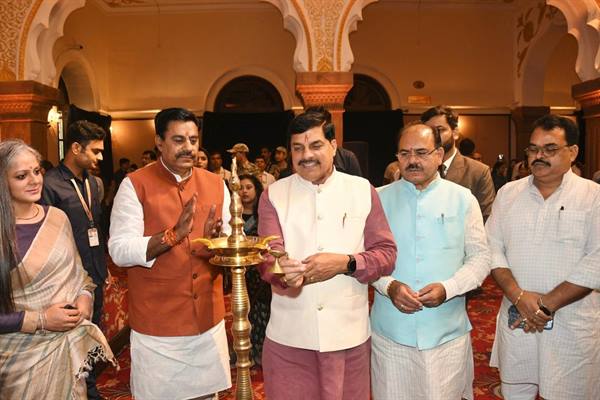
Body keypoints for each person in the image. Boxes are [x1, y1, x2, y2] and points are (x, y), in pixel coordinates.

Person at [257, 108, 397, 400]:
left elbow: (386, 254)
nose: (306, 155)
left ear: (334, 146)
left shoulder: (362, 190)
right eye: (298, 148)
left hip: (348, 334)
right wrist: (282, 271)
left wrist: (346, 263)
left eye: (316, 145)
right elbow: (268, 258)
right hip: (290, 335)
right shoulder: (273, 194)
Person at [108, 107, 232, 400]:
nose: (188, 147)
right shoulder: (135, 184)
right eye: (178, 140)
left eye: (193, 140)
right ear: (159, 142)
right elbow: (119, 250)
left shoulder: (216, 184)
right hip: (158, 326)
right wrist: (171, 236)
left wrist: (217, 242)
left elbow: (228, 241)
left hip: (208, 322)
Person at [370, 122, 490, 400]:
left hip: (445, 332)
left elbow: (481, 258)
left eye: (421, 152)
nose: (412, 160)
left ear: (439, 154)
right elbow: (367, 258)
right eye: (404, 153)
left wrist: (448, 288)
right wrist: (389, 286)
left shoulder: (462, 199)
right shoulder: (378, 198)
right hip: (391, 333)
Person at [487, 114, 600, 400]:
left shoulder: (593, 196)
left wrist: (546, 305)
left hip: (571, 322)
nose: (539, 156)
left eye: (550, 149)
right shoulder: (508, 193)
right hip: (517, 316)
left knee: (570, 392)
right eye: (533, 149)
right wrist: (518, 296)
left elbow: (596, 261)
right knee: (516, 390)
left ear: (573, 152)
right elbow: (492, 247)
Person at [0, 139, 114, 399]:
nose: (34, 180)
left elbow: (80, 275)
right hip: (20, 361)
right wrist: (41, 320)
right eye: (21, 176)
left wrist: (85, 297)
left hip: (68, 351)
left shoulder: (57, 217)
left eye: (37, 171)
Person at [40, 120, 107, 399]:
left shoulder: (94, 183)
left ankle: (89, 388)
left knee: (92, 333)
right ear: (76, 148)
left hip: (95, 273)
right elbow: (45, 236)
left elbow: (96, 227)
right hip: (67, 278)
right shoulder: (50, 184)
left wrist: (103, 268)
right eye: (95, 151)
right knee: (70, 339)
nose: (100, 157)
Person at [421, 106, 495, 220]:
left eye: (440, 130)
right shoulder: (417, 169)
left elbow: (487, 218)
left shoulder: (478, 172)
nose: (434, 136)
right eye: (429, 132)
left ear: (455, 133)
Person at [238, 173, 271, 365]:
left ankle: (261, 349)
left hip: (260, 270)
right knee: (243, 310)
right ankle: (245, 348)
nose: (244, 191)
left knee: (261, 309)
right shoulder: (233, 216)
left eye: (248, 187)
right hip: (241, 271)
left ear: (257, 190)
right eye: (240, 188)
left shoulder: (264, 214)